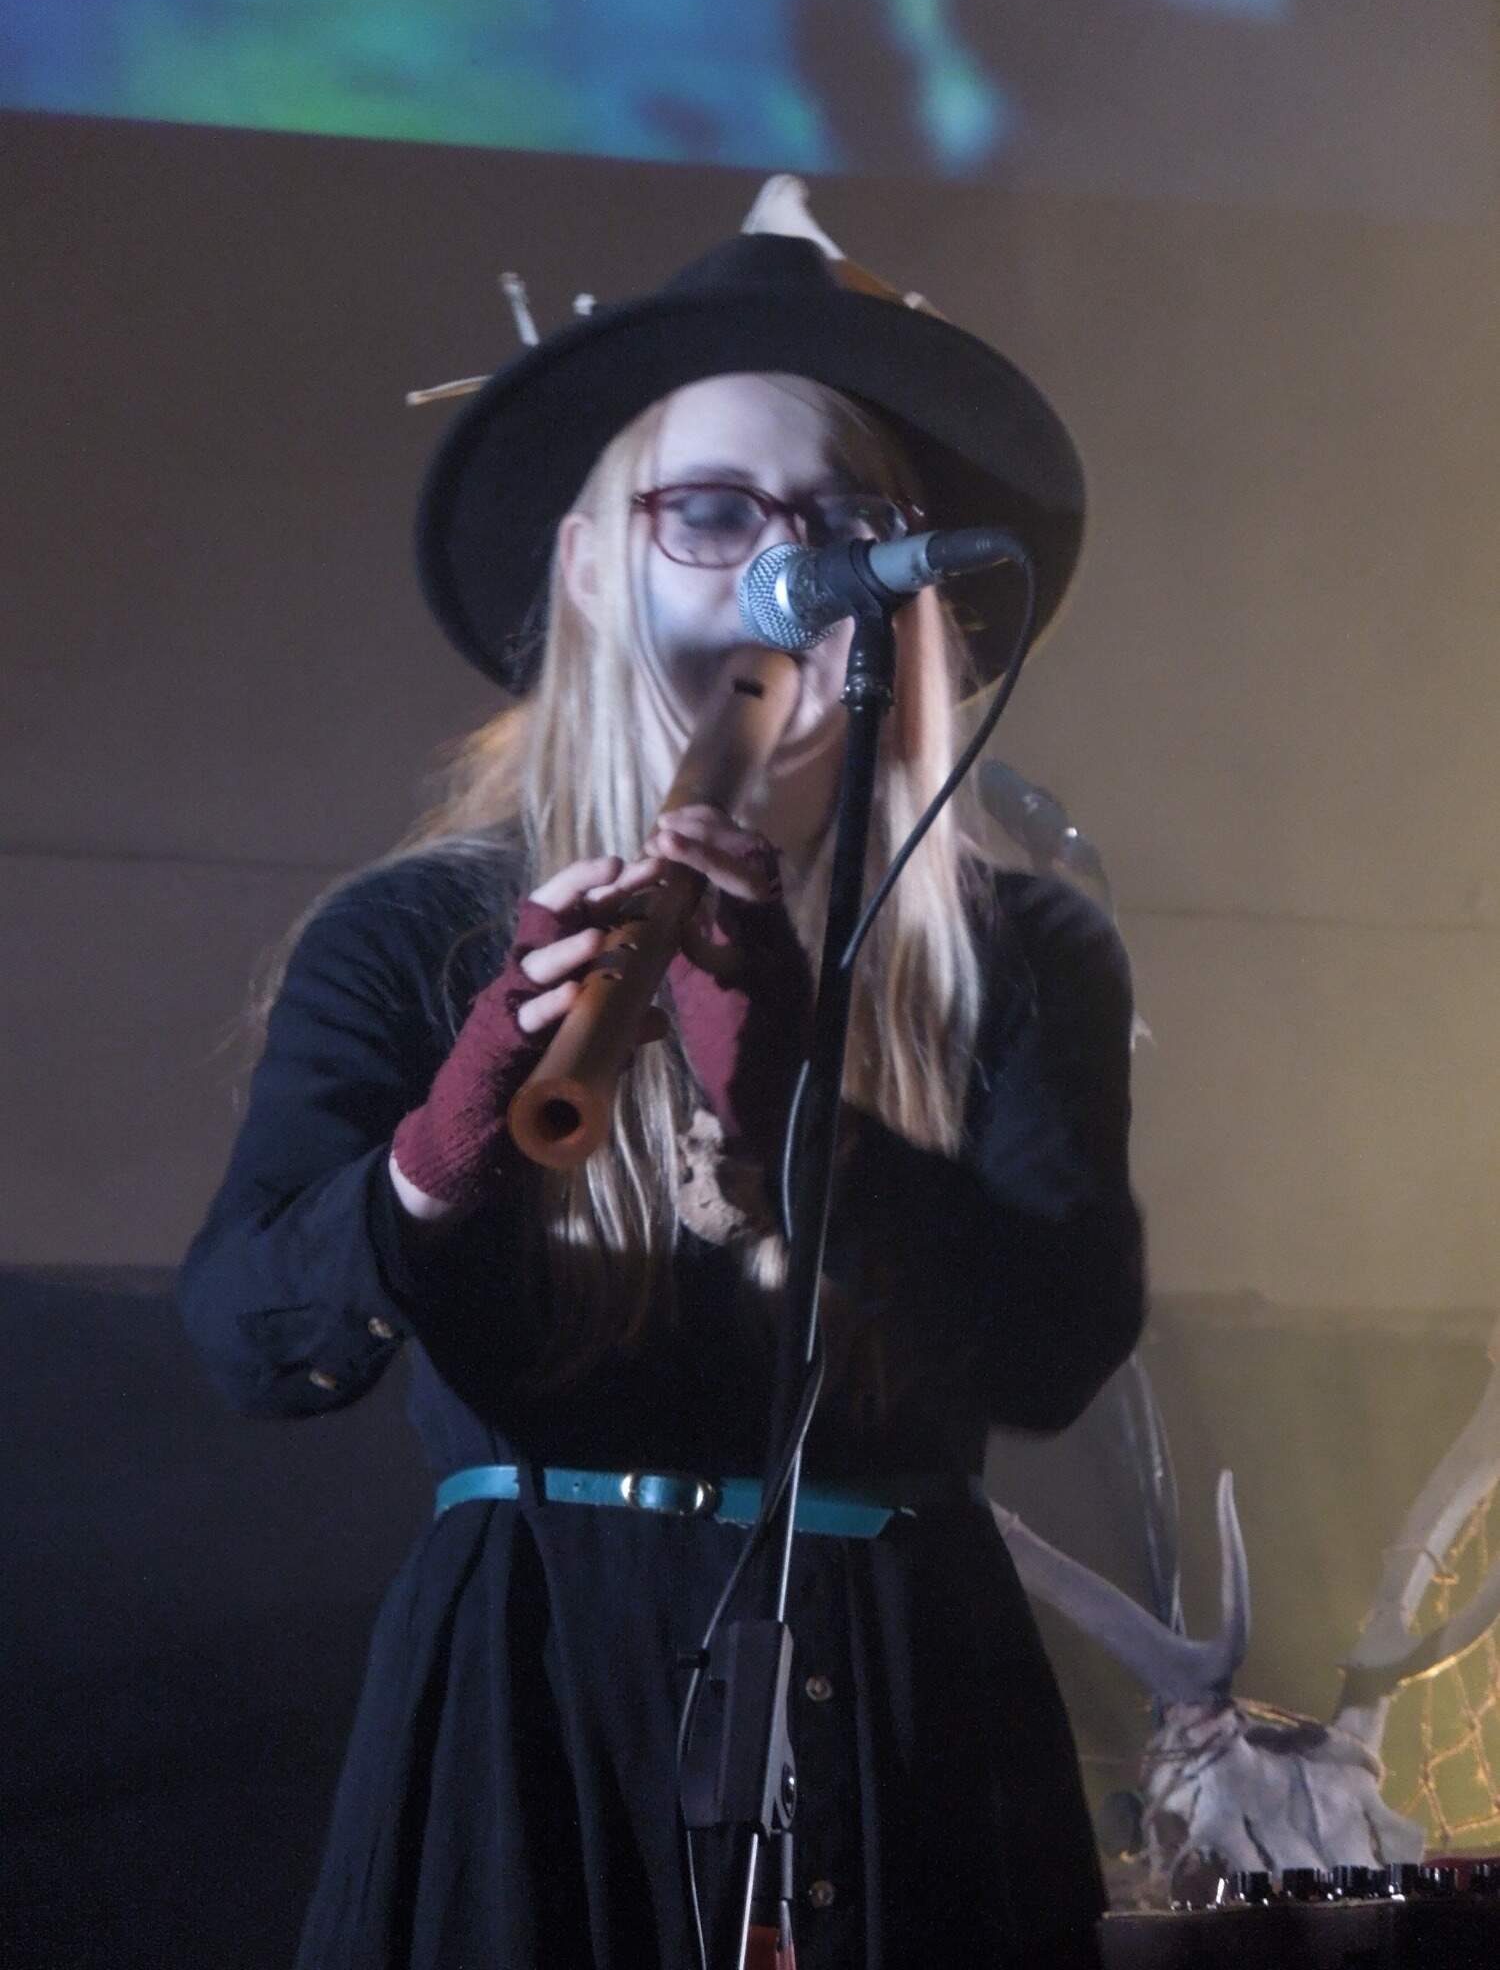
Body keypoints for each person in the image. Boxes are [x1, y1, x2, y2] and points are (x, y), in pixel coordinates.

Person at [179, 213, 1145, 1970]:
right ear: (583, 564)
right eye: (709, 513)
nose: (784, 570)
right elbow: (255, 1338)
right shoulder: (411, 934)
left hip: (896, 1697)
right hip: (538, 1694)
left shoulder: (1021, 951)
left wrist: (786, 1092)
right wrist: (449, 1140)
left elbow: (1054, 1349)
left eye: (843, 526)